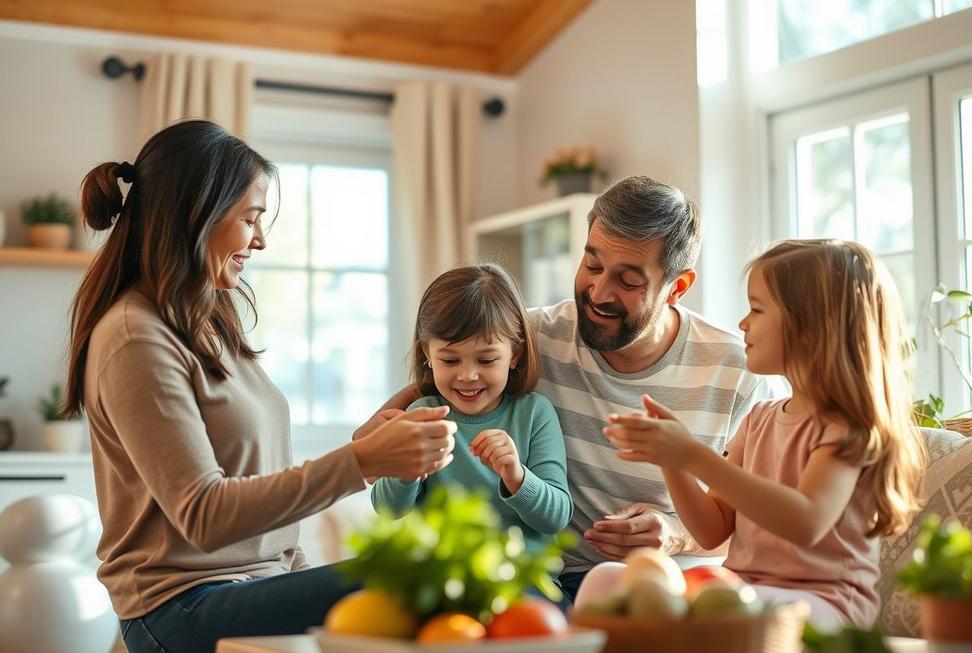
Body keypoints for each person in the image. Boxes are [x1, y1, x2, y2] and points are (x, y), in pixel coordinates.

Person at [63, 120, 457, 653]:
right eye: (251, 219)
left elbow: (263, 514)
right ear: (196, 213)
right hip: (180, 607)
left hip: (253, 589)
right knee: (416, 574)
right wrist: (363, 461)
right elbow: (202, 515)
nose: (262, 240)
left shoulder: (209, 321)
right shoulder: (136, 337)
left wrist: (307, 574)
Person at [358, 176, 778, 603]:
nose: (598, 292)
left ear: (678, 287)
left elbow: (755, 527)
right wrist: (382, 424)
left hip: (669, 585)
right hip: (559, 579)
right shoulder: (536, 334)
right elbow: (458, 365)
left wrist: (675, 535)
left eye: (628, 280)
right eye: (592, 265)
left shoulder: (737, 372)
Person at [602, 239, 925, 628]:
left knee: (721, 617)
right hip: (744, 591)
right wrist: (673, 462)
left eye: (756, 309)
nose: (742, 323)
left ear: (810, 328)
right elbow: (710, 530)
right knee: (606, 584)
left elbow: (805, 521)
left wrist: (693, 456)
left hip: (826, 603)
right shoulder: (758, 420)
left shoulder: (847, 428)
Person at [371, 264, 573, 556]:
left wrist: (516, 475)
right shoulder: (419, 417)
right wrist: (407, 469)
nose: (467, 375)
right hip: (440, 576)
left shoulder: (534, 414)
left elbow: (556, 517)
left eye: (487, 360)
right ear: (428, 355)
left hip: (519, 578)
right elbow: (387, 510)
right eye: (450, 361)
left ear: (514, 356)